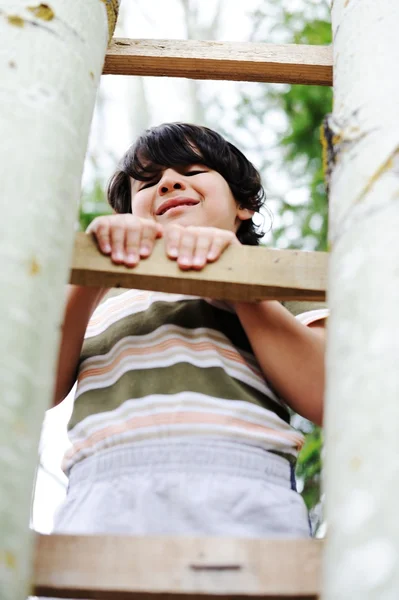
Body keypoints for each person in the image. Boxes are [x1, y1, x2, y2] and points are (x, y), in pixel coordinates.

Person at [53, 122, 327, 539]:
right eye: (146, 182)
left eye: (193, 170)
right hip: (104, 486)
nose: (167, 183)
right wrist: (92, 275)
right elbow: (34, 389)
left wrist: (241, 284)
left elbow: (329, 394)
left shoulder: (278, 279)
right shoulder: (99, 296)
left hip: (246, 483)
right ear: (126, 215)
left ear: (245, 204)